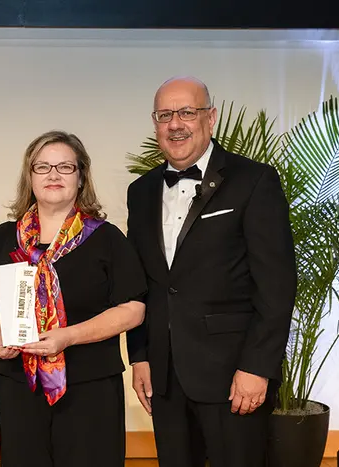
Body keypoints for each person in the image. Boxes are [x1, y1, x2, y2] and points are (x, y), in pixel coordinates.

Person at [126, 76, 297, 467]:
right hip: (164, 379)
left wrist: (257, 366)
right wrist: (140, 356)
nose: (176, 124)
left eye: (187, 112)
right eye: (165, 114)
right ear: (155, 124)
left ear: (211, 117)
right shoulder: (142, 190)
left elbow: (277, 284)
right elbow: (143, 285)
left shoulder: (254, 181)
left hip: (233, 376)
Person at [0, 130, 147, 467]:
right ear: (29, 176)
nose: (53, 175)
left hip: (89, 387)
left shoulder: (106, 238)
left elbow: (133, 310)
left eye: (65, 167)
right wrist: (0, 332)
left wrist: (68, 336)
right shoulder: (4, 237)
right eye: (42, 167)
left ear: (81, 176)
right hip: (20, 386)